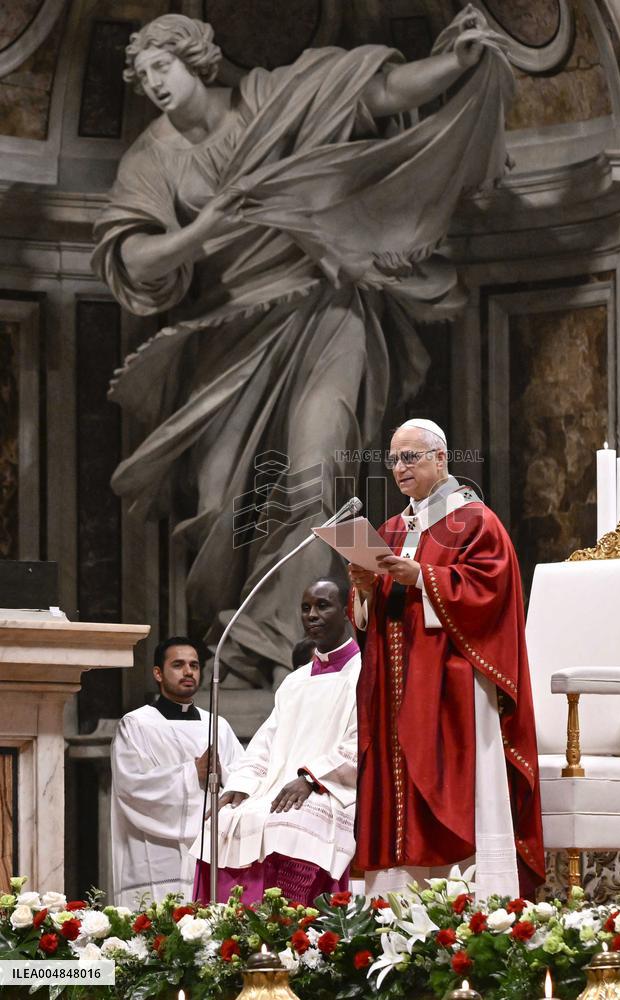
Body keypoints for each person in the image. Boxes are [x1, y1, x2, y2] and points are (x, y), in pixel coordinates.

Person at [92, 9, 515, 681]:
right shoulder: (154, 155)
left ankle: (288, 645)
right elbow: (134, 258)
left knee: (317, 476)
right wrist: (202, 232)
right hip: (228, 333)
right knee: (220, 505)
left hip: (325, 309)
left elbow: (375, 91)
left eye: (162, 68)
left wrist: (457, 63)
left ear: (198, 59)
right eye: (143, 77)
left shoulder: (272, 97)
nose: (155, 85)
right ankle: (247, 633)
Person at [348, 419, 545, 900]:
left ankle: (476, 901)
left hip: (451, 686)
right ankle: (395, 905)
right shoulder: (392, 529)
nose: (400, 467)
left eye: (410, 457)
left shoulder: (476, 521)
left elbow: (490, 594)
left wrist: (422, 576)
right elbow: (372, 620)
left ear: (441, 459)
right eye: (394, 459)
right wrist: (365, 591)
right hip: (398, 686)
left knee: (451, 791)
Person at [191, 578, 360, 904]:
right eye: (306, 608)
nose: (312, 615)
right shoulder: (294, 682)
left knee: (293, 820)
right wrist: (240, 784)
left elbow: (361, 743)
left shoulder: (363, 673)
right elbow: (266, 743)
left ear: (347, 611)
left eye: (323, 606)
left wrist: (311, 778)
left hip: (331, 789)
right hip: (278, 786)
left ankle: (292, 925)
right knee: (222, 821)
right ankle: (226, 929)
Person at [110, 636, 244, 906]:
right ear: (158, 673)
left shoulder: (217, 724)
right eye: (178, 665)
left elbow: (244, 782)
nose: (188, 672)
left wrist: (223, 774)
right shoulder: (136, 724)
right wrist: (191, 773)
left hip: (209, 850)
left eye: (194, 665)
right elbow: (131, 787)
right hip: (155, 853)